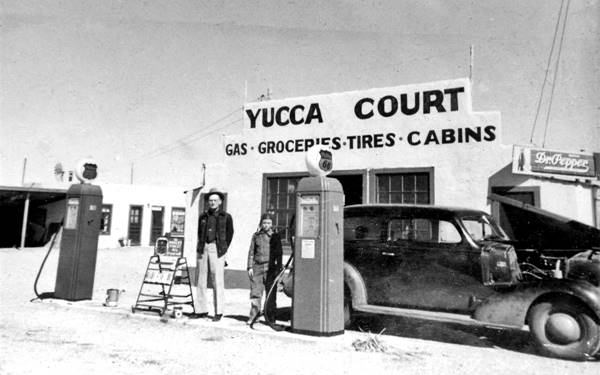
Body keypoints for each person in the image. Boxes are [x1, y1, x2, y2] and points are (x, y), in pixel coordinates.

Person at [191, 188, 234, 321]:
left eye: (215, 200)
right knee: (201, 280)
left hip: (217, 249)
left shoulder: (226, 217)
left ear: (220, 202)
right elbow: (200, 232)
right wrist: (202, 245)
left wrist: (223, 247)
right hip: (203, 247)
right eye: (210, 200)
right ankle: (201, 310)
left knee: (217, 280)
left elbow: (230, 233)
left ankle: (218, 311)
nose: (212, 203)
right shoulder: (203, 216)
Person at [247, 213, 282, 324]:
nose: (266, 225)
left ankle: (271, 317)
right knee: (255, 292)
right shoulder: (256, 236)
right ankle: (254, 316)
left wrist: (278, 269)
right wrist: (249, 266)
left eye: (269, 223)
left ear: (272, 224)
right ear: (261, 223)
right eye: (264, 223)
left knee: (270, 293)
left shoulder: (275, 236)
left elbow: (279, 254)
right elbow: (251, 252)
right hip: (257, 267)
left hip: (270, 267)